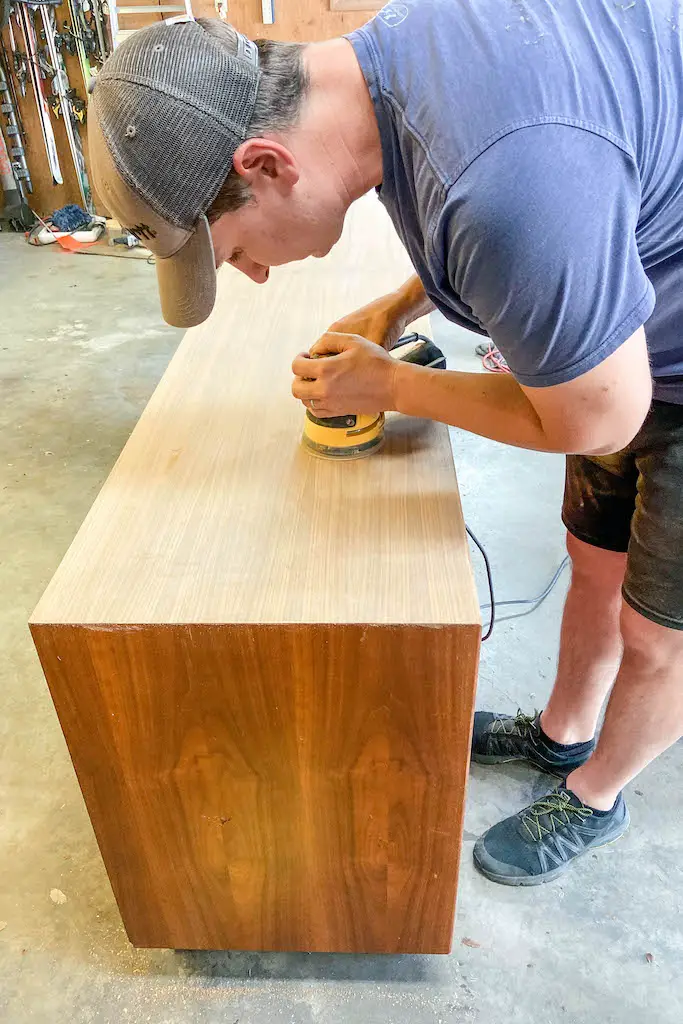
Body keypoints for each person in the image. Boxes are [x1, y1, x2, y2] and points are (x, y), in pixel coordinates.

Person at [89, 0, 683, 886]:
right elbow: (477, 194)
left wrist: (394, 383)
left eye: (236, 251)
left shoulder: (509, 177)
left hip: (640, 371)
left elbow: (598, 414)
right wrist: (397, 308)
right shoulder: (393, 68)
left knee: (656, 631)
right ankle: (565, 737)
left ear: (265, 162)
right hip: (614, 321)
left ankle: (596, 794)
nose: (250, 275)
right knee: (592, 562)